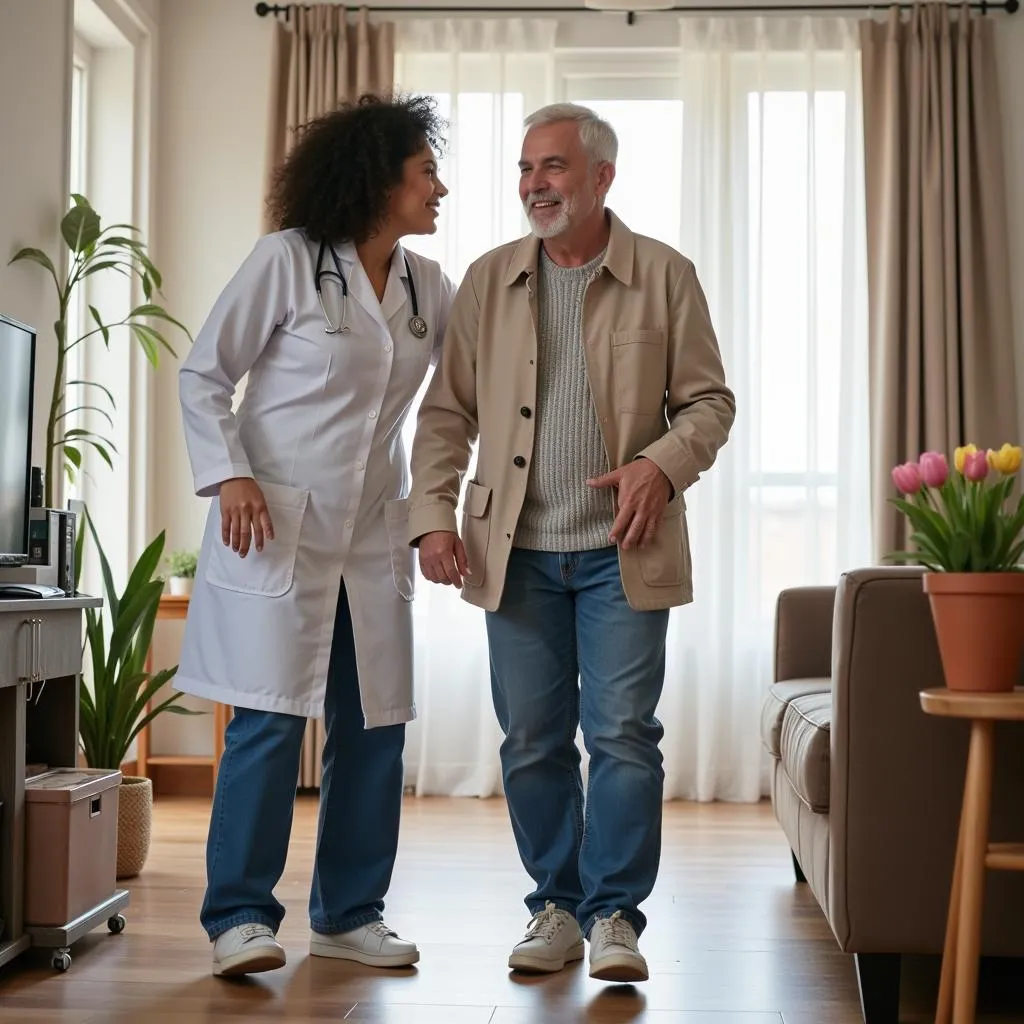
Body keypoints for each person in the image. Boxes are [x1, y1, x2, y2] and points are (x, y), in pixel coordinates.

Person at [406, 103, 735, 983]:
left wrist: (660, 465)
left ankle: (616, 915)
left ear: (601, 177)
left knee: (624, 734)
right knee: (531, 739)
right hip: (513, 552)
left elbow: (709, 404)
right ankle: (554, 905)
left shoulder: (664, 275)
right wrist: (433, 514)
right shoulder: (487, 280)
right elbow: (449, 413)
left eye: (552, 166)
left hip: (623, 549)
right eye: (524, 168)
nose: (534, 184)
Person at [175, 93, 454, 978]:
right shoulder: (288, 262)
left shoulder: (426, 288)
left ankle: (348, 914)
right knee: (264, 722)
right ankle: (240, 919)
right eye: (426, 172)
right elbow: (205, 372)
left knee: (374, 726)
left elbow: (462, 400)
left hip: (372, 536)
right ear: (381, 181)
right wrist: (232, 474)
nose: (440, 188)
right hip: (277, 527)